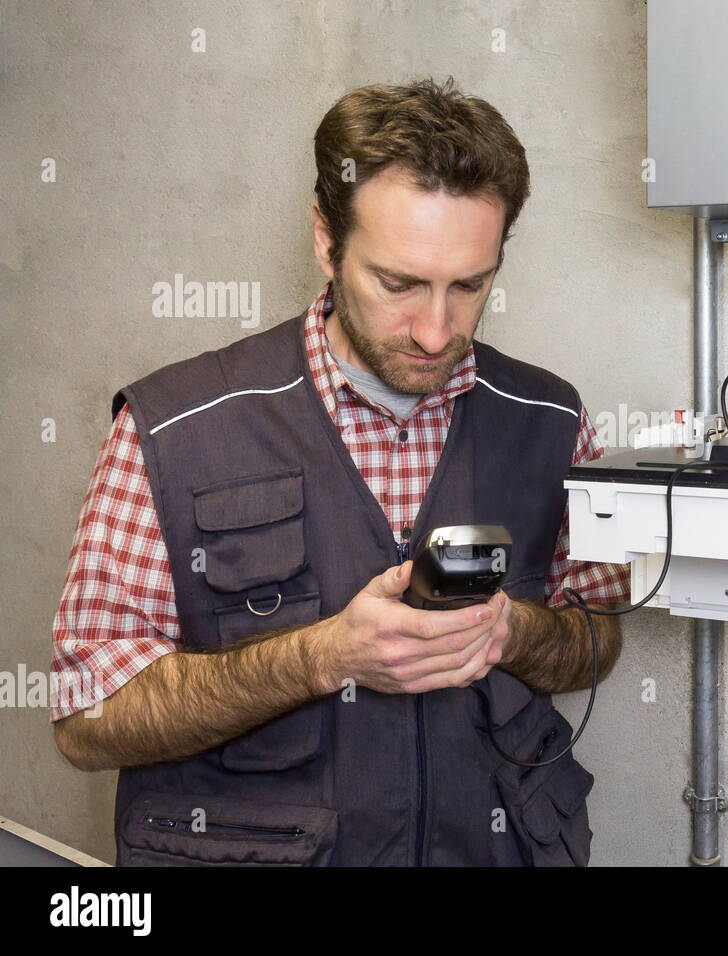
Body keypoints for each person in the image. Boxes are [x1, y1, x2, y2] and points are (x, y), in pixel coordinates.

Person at [49, 77, 630, 866]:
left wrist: (511, 631)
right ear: (326, 240)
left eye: (469, 285)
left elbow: (596, 639)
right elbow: (89, 718)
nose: (435, 330)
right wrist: (324, 657)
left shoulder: (551, 419)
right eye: (398, 283)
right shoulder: (170, 429)